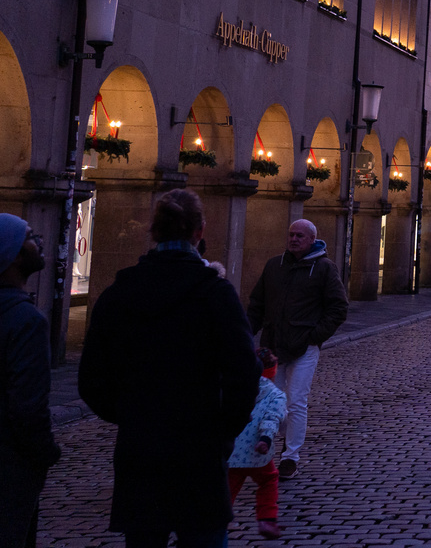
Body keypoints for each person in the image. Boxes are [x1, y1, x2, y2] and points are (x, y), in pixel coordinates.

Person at [79, 188, 260, 548]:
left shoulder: (120, 293)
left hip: (140, 446)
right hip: (200, 446)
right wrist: (223, 429)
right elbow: (244, 371)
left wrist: (130, 414)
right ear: (200, 231)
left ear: (154, 231)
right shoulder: (215, 293)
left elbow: (91, 378)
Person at [246, 218, 349, 479]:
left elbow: (338, 308)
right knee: (271, 402)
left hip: (304, 347)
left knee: (296, 402)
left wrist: (314, 337)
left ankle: (290, 456)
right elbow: (257, 304)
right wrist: (248, 334)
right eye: (291, 234)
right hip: (273, 346)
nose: (293, 239)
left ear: (312, 239)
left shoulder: (325, 268)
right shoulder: (274, 266)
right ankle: (265, 448)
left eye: (300, 236)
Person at [0, 215, 60, 548]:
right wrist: (45, 453)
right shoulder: (26, 321)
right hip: (11, 464)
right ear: (13, 254)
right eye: (30, 237)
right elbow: (28, 405)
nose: (38, 241)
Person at [227, 349, 288, 540]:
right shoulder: (276, 395)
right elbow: (271, 419)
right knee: (268, 481)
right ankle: (267, 518)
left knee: (227, 489)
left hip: (232, 453)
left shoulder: (233, 388)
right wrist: (265, 439)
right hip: (259, 455)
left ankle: (212, 524)